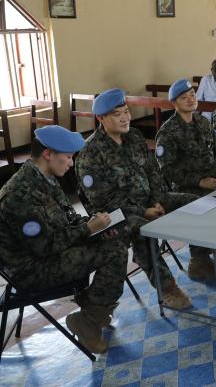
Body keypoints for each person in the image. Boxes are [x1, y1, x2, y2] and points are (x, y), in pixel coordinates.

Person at [0, 125, 128, 354]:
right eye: (67, 157)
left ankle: (92, 311)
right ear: (48, 154)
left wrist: (95, 228)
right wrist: (88, 230)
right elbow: (44, 247)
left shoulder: (45, 179)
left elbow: (68, 220)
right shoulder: (19, 194)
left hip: (50, 254)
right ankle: (88, 320)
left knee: (113, 241)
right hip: (31, 270)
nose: (71, 164)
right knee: (114, 252)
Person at [75, 89, 203, 295]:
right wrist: (143, 211)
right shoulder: (90, 154)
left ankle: (200, 259)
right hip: (118, 214)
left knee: (194, 202)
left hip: (150, 201)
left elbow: (153, 171)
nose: (125, 118)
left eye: (126, 112)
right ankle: (168, 289)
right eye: (117, 115)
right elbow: (103, 202)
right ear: (101, 118)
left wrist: (156, 201)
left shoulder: (134, 136)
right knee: (142, 228)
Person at [155, 78, 216, 196]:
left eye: (192, 95)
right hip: (188, 186)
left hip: (211, 174)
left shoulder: (203, 121)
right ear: (174, 103)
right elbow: (168, 170)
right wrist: (200, 181)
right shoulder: (167, 132)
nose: (191, 100)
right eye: (184, 98)